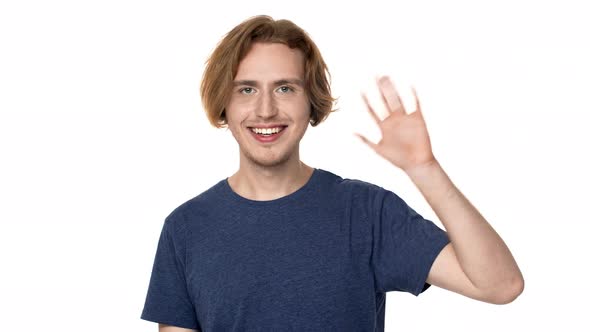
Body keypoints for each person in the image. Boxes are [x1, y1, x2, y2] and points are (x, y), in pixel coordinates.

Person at [141, 15, 524, 332]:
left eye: (285, 88)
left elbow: (500, 285)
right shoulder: (186, 228)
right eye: (246, 90)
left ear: (312, 102)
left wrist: (425, 169)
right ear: (224, 102)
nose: (266, 110)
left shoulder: (366, 212)